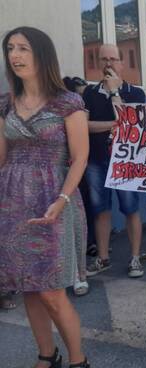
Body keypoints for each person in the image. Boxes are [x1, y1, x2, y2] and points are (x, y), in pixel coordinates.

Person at [0, 26, 90, 368]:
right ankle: (46, 355)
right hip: (12, 203)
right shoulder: (5, 103)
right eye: (10, 48)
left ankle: (79, 361)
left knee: (51, 290)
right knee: (28, 286)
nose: (15, 55)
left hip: (55, 199)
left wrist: (63, 199)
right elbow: (2, 158)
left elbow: (80, 158)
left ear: (42, 55)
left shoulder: (68, 102)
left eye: (23, 48)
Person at [83, 44, 145, 279]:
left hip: (126, 161)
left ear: (121, 62)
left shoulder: (135, 93)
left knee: (130, 209)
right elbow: (84, 126)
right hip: (97, 160)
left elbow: (129, 124)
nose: (108, 63)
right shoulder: (89, 93)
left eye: (113, 59)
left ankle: (135, 258)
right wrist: (111, 126)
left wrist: (113, 93)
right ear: (99, 63)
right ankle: (103, 257)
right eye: (104, 59)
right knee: (101, 210)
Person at [62, 76, 91, 297]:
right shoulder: (10, 104)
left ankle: (79, 275)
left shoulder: (71, 105)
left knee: (74, 226)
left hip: (65, 173)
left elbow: (80, 152)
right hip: (27, 181)